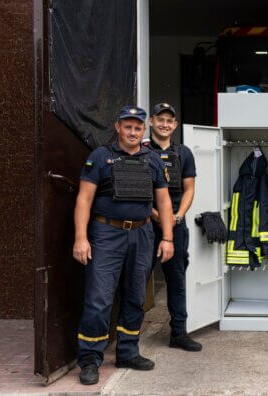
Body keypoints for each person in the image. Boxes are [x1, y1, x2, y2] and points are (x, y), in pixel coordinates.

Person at [72, 106, 174, 385]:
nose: (132, 132)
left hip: (142, 235)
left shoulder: (153, 160)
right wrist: (81, 238)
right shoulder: (100, 157)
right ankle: (90, 359)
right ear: (117, 127)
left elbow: (163, 202)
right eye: (127, 126)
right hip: (106, 233)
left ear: (144, 130)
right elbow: (84, 200)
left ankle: (128, 352)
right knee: (99, 297)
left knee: (135, 297)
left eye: (137, 127)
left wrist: (167, 238)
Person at [146, 102, 202, 351]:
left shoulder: (184, 153)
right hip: (146, 224)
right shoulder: (141, 150)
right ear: (151, 121)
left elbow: (189, 189)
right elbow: (137, 192)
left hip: (177, 225)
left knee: (176, 280)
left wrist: (177, 216)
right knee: (138, 279)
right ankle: (127, 340)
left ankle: (178, 333)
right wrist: (157, 216)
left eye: (169, 121)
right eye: (160, 119)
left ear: (175, 125)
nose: (165, 124)